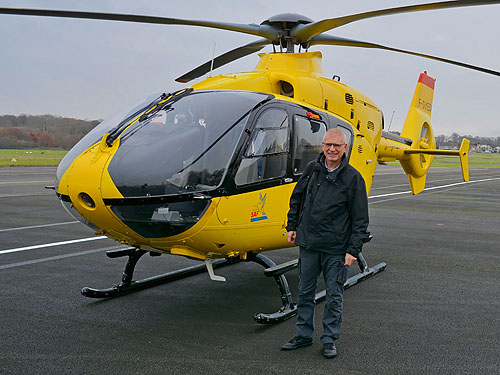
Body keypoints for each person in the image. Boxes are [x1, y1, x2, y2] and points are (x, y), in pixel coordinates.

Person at [281, 128, 369, 358]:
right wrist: (292, 226)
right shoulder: (312, 170)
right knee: (305, 291)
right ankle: (303, 335)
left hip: (336, 249)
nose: (331, 149)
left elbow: (360, 219)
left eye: (336, 146)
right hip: (309, 243)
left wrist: (353, 250)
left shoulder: (353, 178)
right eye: (328, 145)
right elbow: (297, 197)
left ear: (344, 149)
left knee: (333, 295)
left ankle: (329, 339)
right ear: (322, 145)